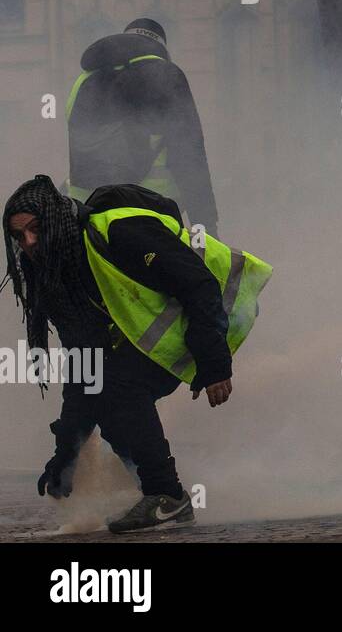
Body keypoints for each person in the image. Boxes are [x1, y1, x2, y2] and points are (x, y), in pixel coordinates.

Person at [2, 175, 270, 533]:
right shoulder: (58, 275)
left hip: (222, 307)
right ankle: (157, 493)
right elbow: (85, 370)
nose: (29, 242)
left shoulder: (120, 232)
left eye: (36, 229)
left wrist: (214, 362)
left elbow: (199, 285)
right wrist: (66, 456)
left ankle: (166, 495)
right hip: (175, 330)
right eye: (19, 236)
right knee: (105, 388)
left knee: (116, 386)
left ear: (56, 218)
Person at [67, 18, 219, 235]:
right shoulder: (165, 75)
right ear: (161, 49)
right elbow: (189, 155)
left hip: (90, 215)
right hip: (150, 212)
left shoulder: (82, 81)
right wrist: (205, 224)